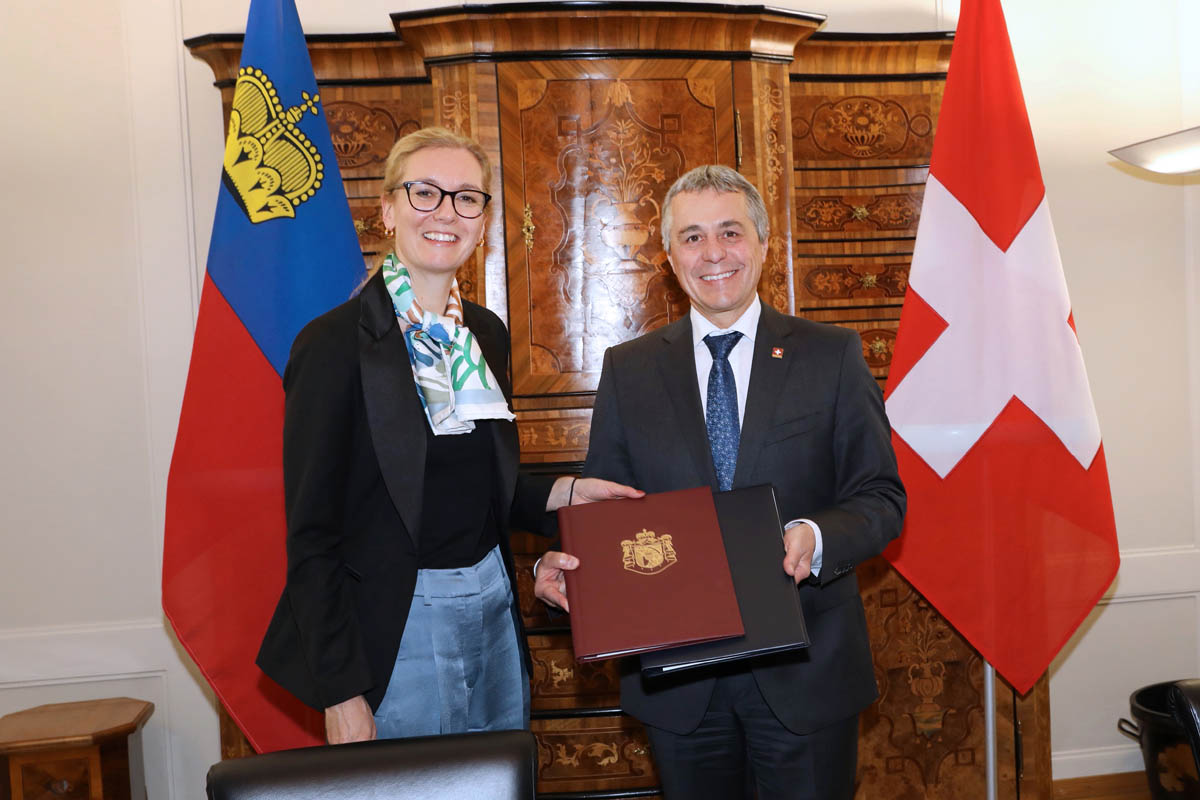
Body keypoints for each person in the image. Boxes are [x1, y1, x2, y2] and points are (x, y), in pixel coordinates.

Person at [256, 126, 641, 745]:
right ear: (387, 209)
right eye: (425, 193)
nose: (446, 212)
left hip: (491, 601)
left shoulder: (483, 335)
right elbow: (311, 534)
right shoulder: (331, 345)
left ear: (483, 221)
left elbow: (483, 485)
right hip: (395, 621)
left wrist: (568, 494)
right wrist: (341, 693)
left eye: (467, 197)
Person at [534, 165, 905, 799]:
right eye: (693, 237)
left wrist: (817, 535)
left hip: (807, 672)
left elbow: (881, 499)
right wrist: (572, 564)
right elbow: (607, 513)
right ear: (671, 257)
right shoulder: (630, 369)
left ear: (763, 243)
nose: (714, 254)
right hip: (680, 685)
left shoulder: (831, 356)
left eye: (730, 232)